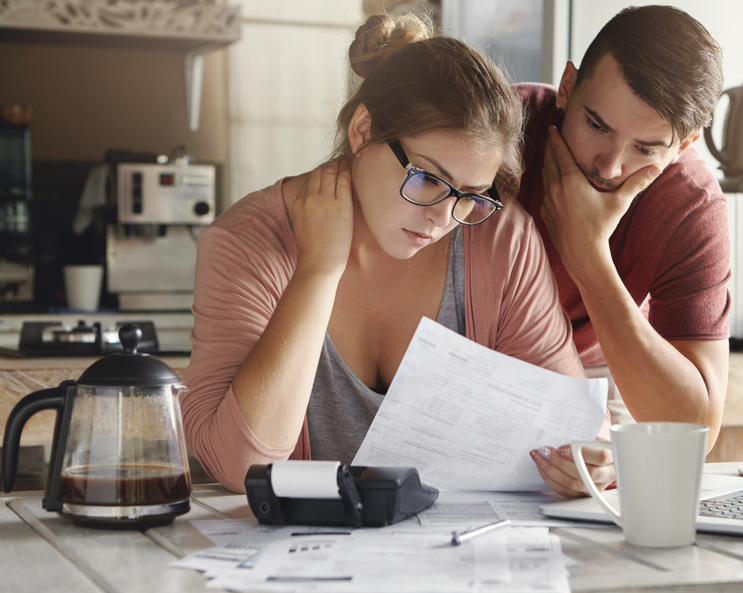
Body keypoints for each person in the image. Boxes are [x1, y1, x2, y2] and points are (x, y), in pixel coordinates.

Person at [181, 14, 613, 497]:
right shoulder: (247, 242)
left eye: (470, 194)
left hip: (458, 555)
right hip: (299, 563)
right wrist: (318, 270)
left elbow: (571, 428)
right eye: (428, 178)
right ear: (363, 131)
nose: (443, 217)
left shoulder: (500, 239)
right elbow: (241, 465)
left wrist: (591, 461)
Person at [520, 6, 731, 485]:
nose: (611, 167)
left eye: (646, 148)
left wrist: (588, 256)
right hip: (468, 352)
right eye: (597, 125)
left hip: (601, 369)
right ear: (569, 86)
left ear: (684, 145)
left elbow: (696, 427)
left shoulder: (691, 205)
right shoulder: (500, 130)